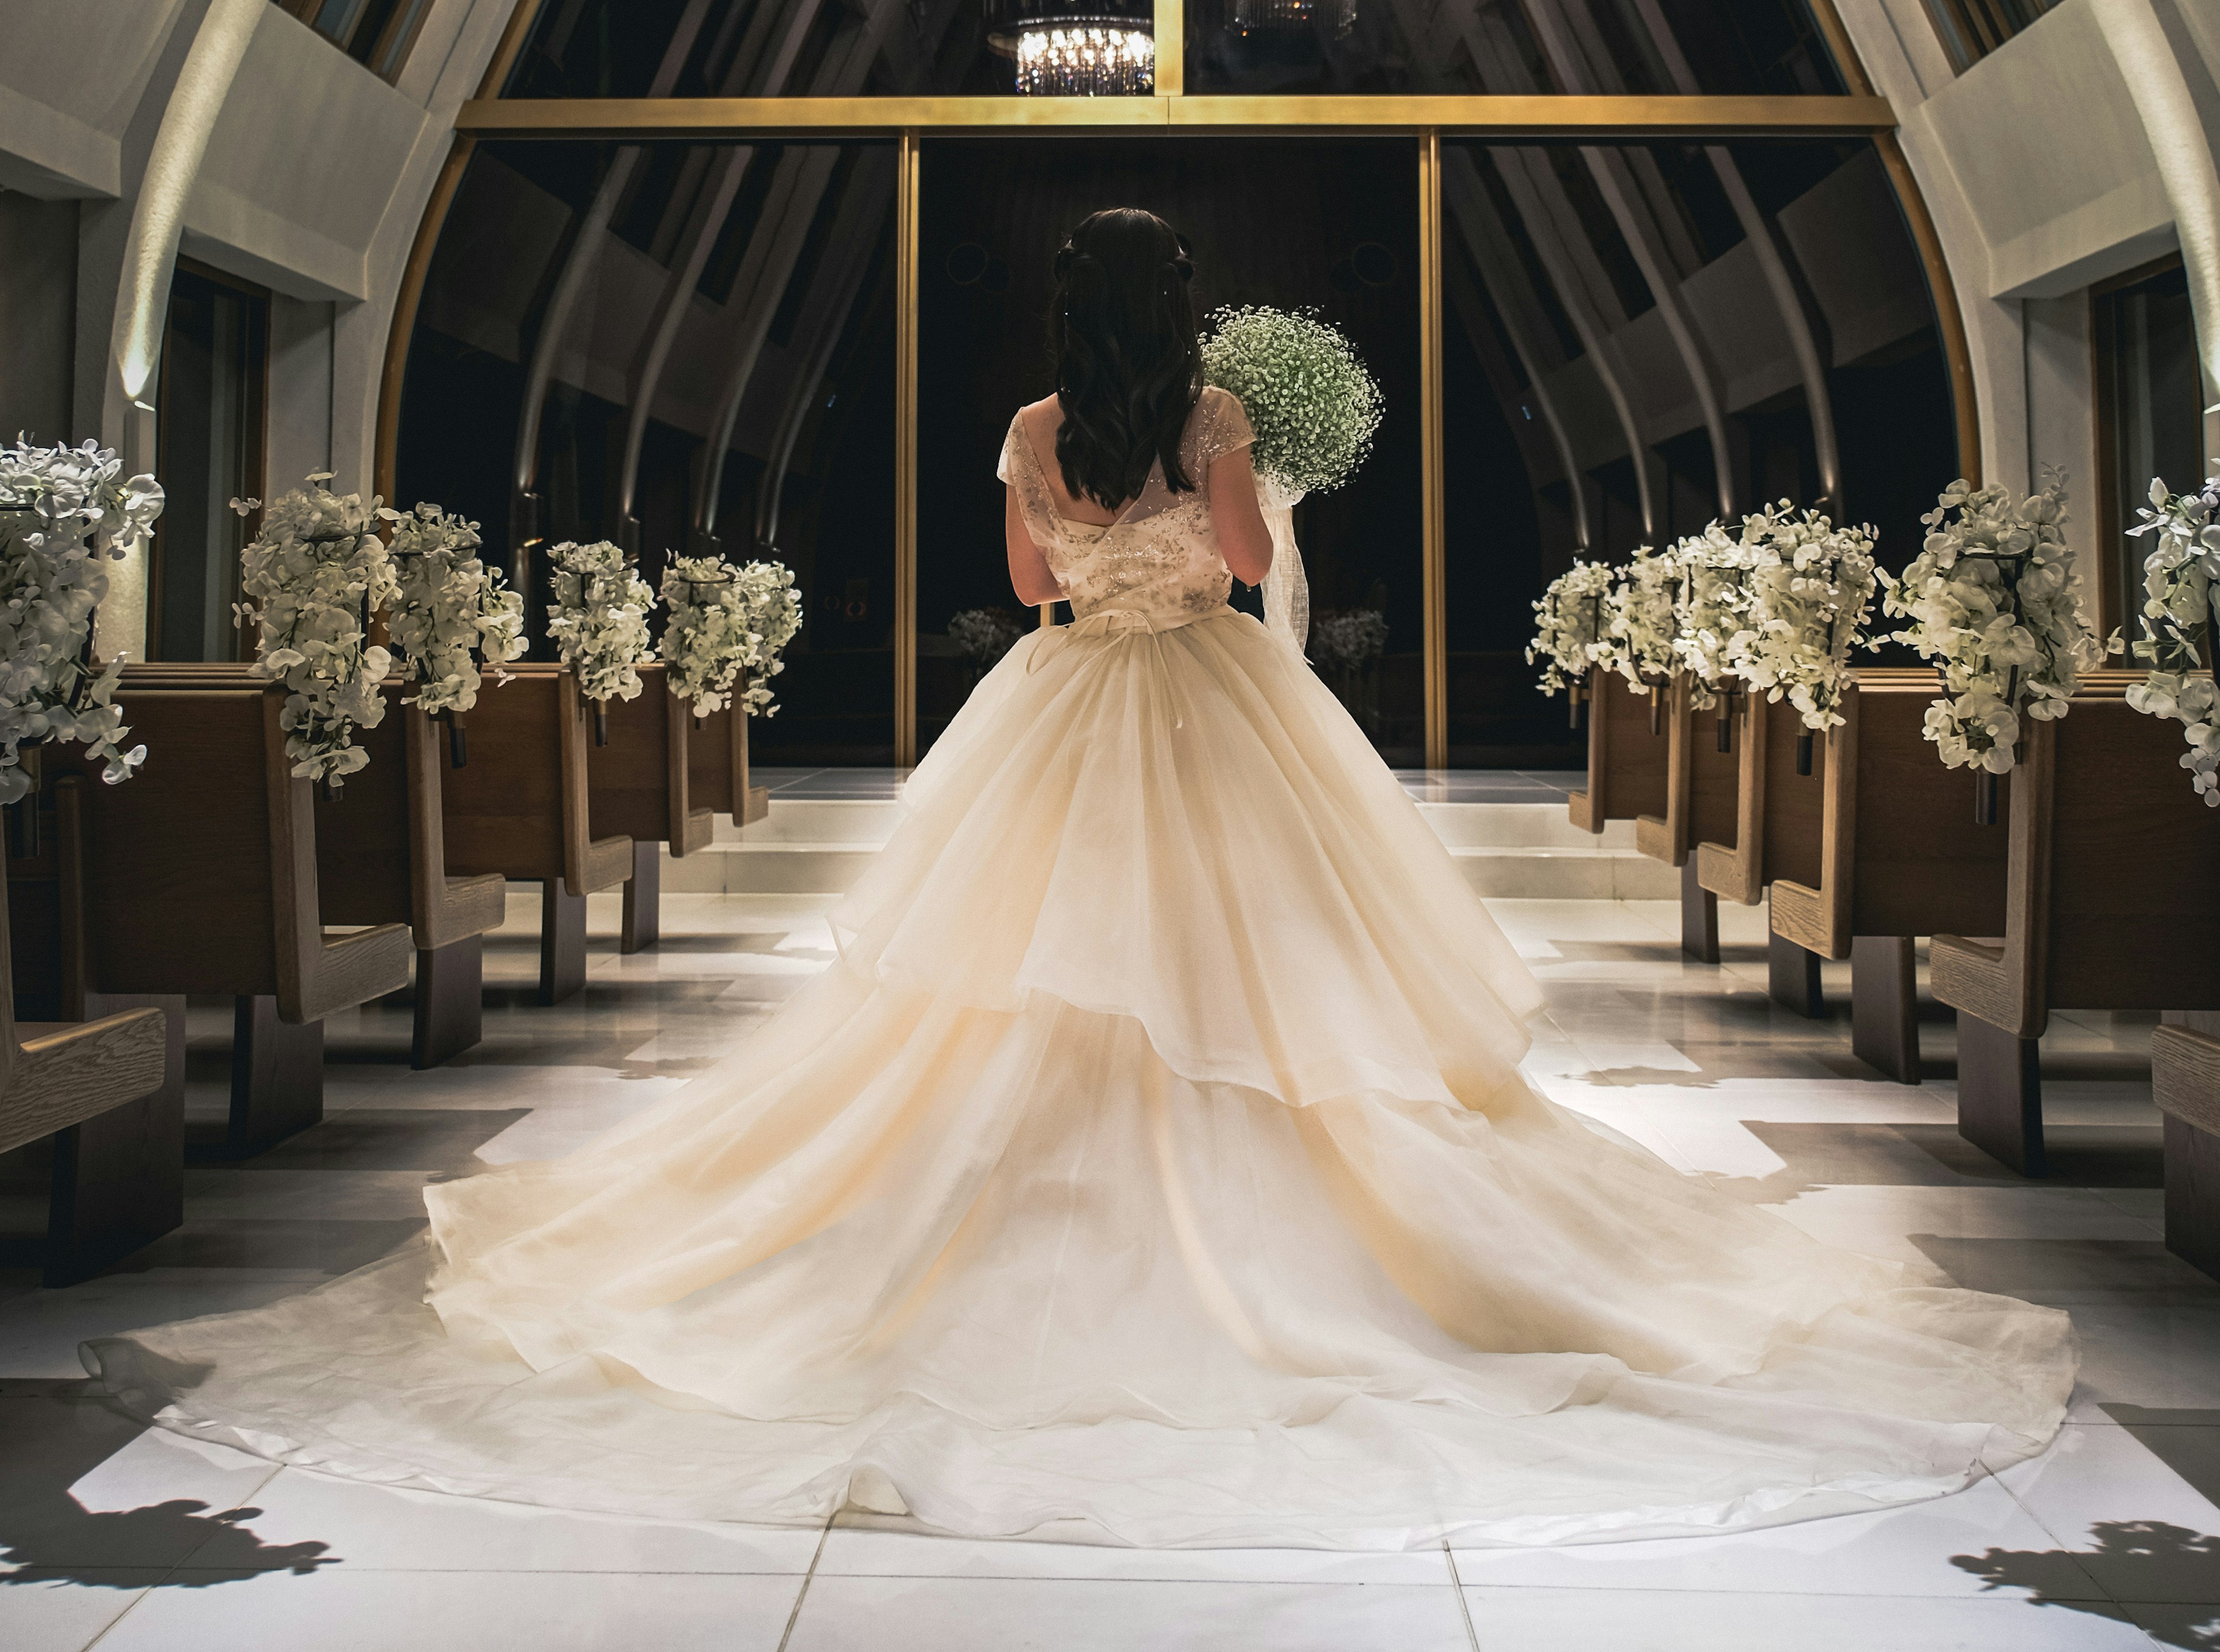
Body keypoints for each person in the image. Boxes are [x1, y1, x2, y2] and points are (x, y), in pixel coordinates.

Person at [93, 208, 2072, 1548]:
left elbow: (1031, 592)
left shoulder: (1034, 427)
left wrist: (1079, 551)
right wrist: (1247, 515)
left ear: (1069, 334)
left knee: (1015, 976)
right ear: (1183, 324)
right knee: (1268, 973)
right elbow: (1227, 568)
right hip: (1214, 702)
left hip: (1063, 710)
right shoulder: (1211, 425)